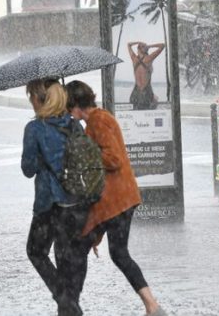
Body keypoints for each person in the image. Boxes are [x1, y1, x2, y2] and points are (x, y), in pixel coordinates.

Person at [65, 80, 167, 316]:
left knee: (82, 246)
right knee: (118, 253)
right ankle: (152, 305)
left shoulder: (98, 121)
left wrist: (85, 153)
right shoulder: (98, 119)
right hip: (119, 198)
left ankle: (70, 305)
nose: (69, 114)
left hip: (116, 200)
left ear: (76, 105)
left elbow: (113, 159)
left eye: (69, 107)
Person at [22, 78, 90, 316]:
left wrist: (41, 157)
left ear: (40, 99)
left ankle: (67, 303)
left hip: (49, 204)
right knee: (67, 259)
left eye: (31, 96)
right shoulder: (73, 125)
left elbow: (27, 169)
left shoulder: (35, 129)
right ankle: (69, 305)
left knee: (36, 251)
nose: (30, 101)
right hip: (76, 203)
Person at [127, 41, 165, 110]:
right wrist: (149, 46)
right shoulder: (148, 59)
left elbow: (129, 45)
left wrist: (138, 42)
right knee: (150, 108)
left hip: (138, 91)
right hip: (145, 90)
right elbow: (162, 46)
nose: (146, 47)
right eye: (144, 46)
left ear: (138, 49)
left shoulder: (135, 59)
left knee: (136, 110)